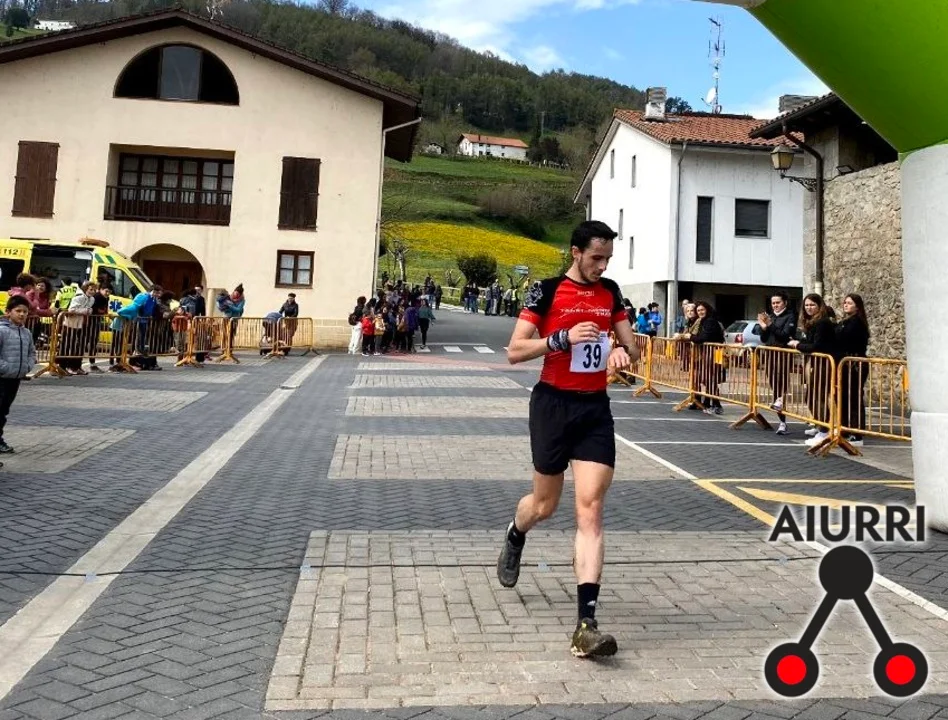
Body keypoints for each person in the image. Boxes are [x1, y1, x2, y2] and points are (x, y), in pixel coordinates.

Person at [497, 220, 639, 659]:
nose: (602, 266)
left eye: (608, 259)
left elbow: (633, 349)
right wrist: (561, 338)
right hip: (552, 406)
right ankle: (516, 532)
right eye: (596, 257)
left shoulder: (610, 293)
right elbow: (515, 350)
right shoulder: (546, 290)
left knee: (590, 509)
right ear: (575, 252)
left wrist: (623, 352)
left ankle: (586, 625)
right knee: (545, 505)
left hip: (594, 410)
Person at [788, 293, 839, 448]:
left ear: (819, 306)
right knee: (811, 396)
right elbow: (810, 341)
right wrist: (799, 342)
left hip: (822, 364)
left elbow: (817, 346)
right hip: (815, 363)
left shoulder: (822, 323)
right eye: (807, 305)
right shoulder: (812, 322)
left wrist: (797, 345)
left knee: (818, 397)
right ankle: (820, 426)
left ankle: (824, 430)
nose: (809, 308)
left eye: (812, 305)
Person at [0, 296, 37, 457]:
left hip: (15, 378)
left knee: (3, 410)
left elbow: (32, 352)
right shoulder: (2, 331)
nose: (22, 314)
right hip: (2, 377)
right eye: (18, 311)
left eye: (25, 311)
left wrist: (27, 366)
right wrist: (5, 368)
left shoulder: (26, 332)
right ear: (8, 312)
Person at [758, 292, 797, 436]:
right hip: (770, 353)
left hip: (783, 353)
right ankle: (782, 421)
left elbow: (785, 335)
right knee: (774, 383)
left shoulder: (790, 316)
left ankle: (782, 417)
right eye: (773, 303)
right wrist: (763, 328)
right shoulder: (771, 317)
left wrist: (770, 325)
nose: (775, 305)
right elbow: (764, 339)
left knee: (781, 382)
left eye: (778, 302)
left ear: (785, 302)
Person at [835, 294, 870, 447]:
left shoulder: (857, 323)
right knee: (842, 396)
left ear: (857, 306)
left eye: (849, 303)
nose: (846, 305)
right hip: (844, 363)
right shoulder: (845, 322)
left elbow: (846, 340)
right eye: (845, 302)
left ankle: (857, 433)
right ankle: (844, 428)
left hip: (855, 363)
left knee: (854, 397)